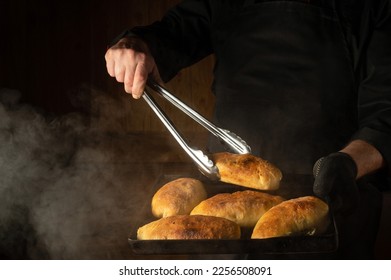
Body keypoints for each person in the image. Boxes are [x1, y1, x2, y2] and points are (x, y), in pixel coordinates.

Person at [105, 0, 391, 259]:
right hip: (228, 186)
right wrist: (136, 46)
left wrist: (347, 163)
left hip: (340, 187)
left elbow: (386, 113)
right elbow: (174, 31)